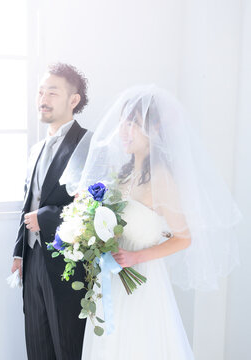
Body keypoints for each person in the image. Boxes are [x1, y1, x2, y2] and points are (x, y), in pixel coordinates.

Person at [61, 85, 240, 359]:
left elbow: (184, 238)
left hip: (142, 282)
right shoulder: (123, 175)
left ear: (154, 130)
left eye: (132, 123)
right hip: (112, 279)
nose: (123, 130)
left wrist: (136, 256)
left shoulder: (161, 178)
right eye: (122, 123)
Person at [11, 62, 92, 359]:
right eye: (41, 91)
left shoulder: (88, 143)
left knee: (67, 345)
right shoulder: (36, 148)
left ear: (73, 100)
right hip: (32, 261)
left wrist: (46, 218)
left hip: (67, 263)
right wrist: (19, 252)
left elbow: (94, 207)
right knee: (37, 343)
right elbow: (28, 200)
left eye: (52, 92)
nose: (43, 99)